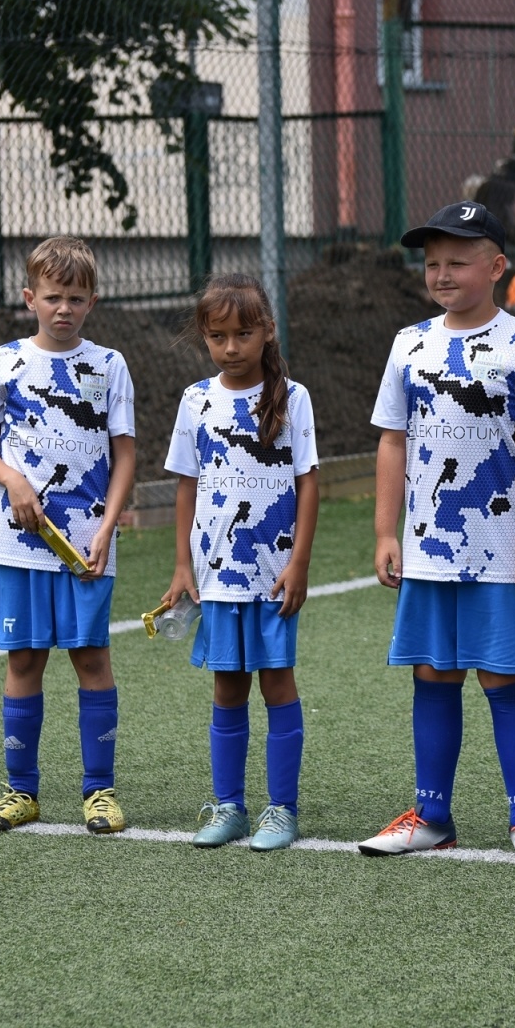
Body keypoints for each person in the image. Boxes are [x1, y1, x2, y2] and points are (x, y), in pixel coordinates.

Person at [358, 201, 515, 865]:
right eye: (433, 263)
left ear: (497, 267)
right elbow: (393, 441)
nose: (442, 273)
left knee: (503, 676)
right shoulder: (408, 342)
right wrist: (385, 531)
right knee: (433, 673)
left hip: (502, 549)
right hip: (426, 548)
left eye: (458, 261)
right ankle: (432, 814)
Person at [0, 236, 137, 835]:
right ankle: (21, 792)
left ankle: (99, 792)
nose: (63, 309)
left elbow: (125, 454)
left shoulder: (109, 365)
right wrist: (13, 480)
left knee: (91, 656)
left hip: (86, 542)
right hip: (19, 544)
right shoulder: (2, 362)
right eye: (52, 297)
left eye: (75, 298)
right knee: (24, 658)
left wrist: (109, 526)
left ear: (92, 301)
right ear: (29, 298)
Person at [162, 273, 319, 852]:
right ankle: (228, 806)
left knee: (277, 683)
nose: (231, 347)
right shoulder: (195, 400)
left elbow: (308, 483)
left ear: (267, 331)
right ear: (205, 337)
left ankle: (282, 810)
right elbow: (185, 485)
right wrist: (183, 565)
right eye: (218, 336)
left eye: (243, 334)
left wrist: (299, 562)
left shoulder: (293, 397)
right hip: (217, 576)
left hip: (274, 572)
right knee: (228, 688)